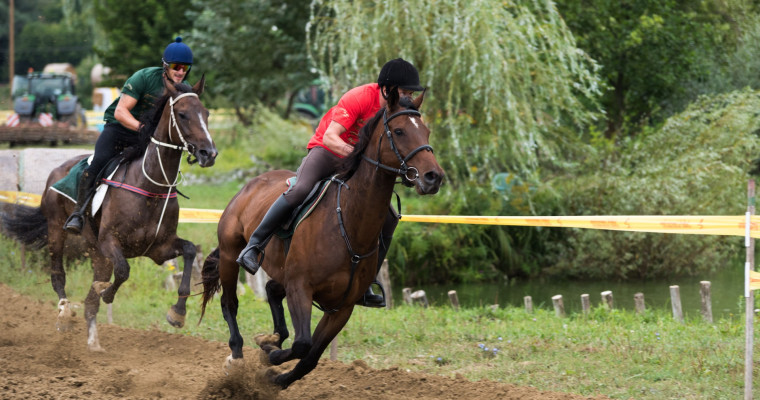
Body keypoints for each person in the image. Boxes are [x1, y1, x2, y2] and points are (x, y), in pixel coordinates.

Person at [237, 58, 424, 308]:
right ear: (387, 90)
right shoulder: (358, 98)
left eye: (411, 93)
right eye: (405, 92)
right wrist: (357, 155)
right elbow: (331, 137)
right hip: (327, 151)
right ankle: (253, 246)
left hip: (359, 160)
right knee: (300, 190)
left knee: (389, 216)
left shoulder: (397, 113)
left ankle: (367, 282)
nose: (409, 97)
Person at [63, 37, 195, 234]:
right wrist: (143, 129)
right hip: (119, 129)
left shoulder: (184, 90)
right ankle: (78, 213)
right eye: (177, 67)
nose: (180, 72)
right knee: (99, 162)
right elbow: (121, 112)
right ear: (165, 66)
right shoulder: (143, 77)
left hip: (149, 137)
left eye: (185, 68)